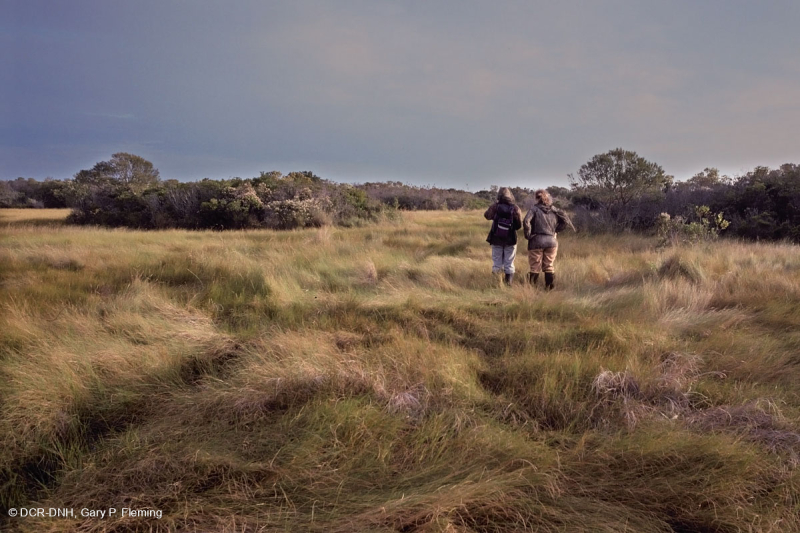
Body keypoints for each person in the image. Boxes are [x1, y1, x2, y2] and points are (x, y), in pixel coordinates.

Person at [523, 189, 574, 290]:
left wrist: (528, 235)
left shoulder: (534, 209)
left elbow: (526, 221)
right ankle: (549, 289)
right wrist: (555, 231)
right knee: (549, 266)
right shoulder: (555, 210)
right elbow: (566, 222)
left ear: (536, 198)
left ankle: (532, 289)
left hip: (536, 241)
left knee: (535, 266)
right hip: (551, 241)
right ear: (548, 197)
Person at [484, 187, 523, 286]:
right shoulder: (515, 208)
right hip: (510, 239)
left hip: (496, 238)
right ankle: (508, 285)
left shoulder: (495, 207)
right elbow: (519, 226)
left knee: (497, 263)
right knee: (509, 263)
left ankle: (496, 285)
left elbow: (487, 215)